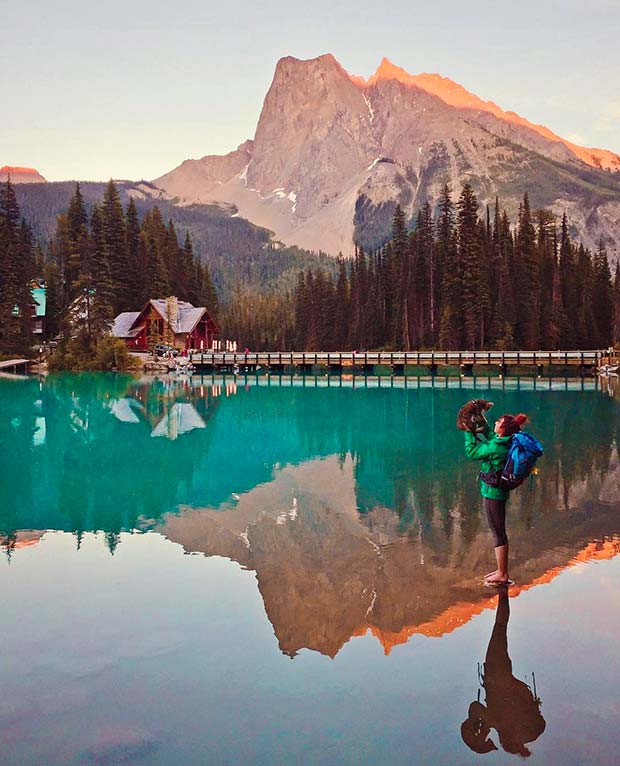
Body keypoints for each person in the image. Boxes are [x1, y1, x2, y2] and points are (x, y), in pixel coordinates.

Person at [461, 589, 546, 757]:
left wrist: (483, 726)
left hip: (502, 678)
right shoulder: (495, 720)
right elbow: (474, 706)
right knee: (499, 628)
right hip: (496, 674)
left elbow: (475, 707)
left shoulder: (498, 721)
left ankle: (503, 591)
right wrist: (480, 726)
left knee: (500, 628)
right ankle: (503, 590)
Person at [463, 403, 528, 585]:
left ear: (504, 429)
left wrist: (469, 431)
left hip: (493, 494)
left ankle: (502, 573)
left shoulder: (496, 448)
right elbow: (494, 436)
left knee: (498, 532)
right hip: (498, 492)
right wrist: (484, 428)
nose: (496, 422)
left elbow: (472, 452)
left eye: (499, 421)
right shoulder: (507, 442)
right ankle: (501, 570)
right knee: (499, 531)